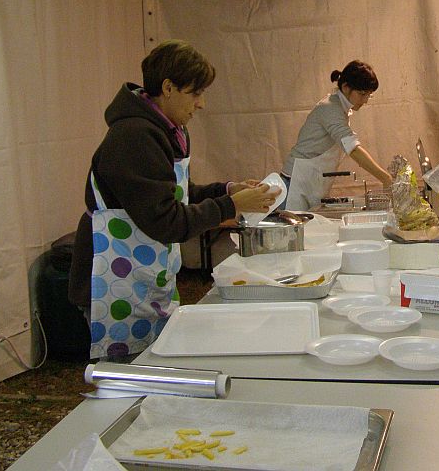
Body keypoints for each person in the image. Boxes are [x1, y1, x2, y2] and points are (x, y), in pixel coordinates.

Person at [68, 39, 276, 360]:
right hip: (113, 279)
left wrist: (228, 189)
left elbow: (180, 192)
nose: (202, 104)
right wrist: (231, 206)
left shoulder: (167, 129)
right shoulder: (134, 136)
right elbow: (167, 220)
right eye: (196, 93)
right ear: (167, 88)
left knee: (154, 362)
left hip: (144, 272)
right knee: (128, 375)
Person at [281, 60, 392, 211]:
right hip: (293, 184)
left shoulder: (340, 108)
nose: (365, 100)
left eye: (369, 95)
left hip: (306, 181)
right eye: (362, 94)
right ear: (346, 87)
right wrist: (385, 178)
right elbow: (352, 148)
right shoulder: (330, 108)